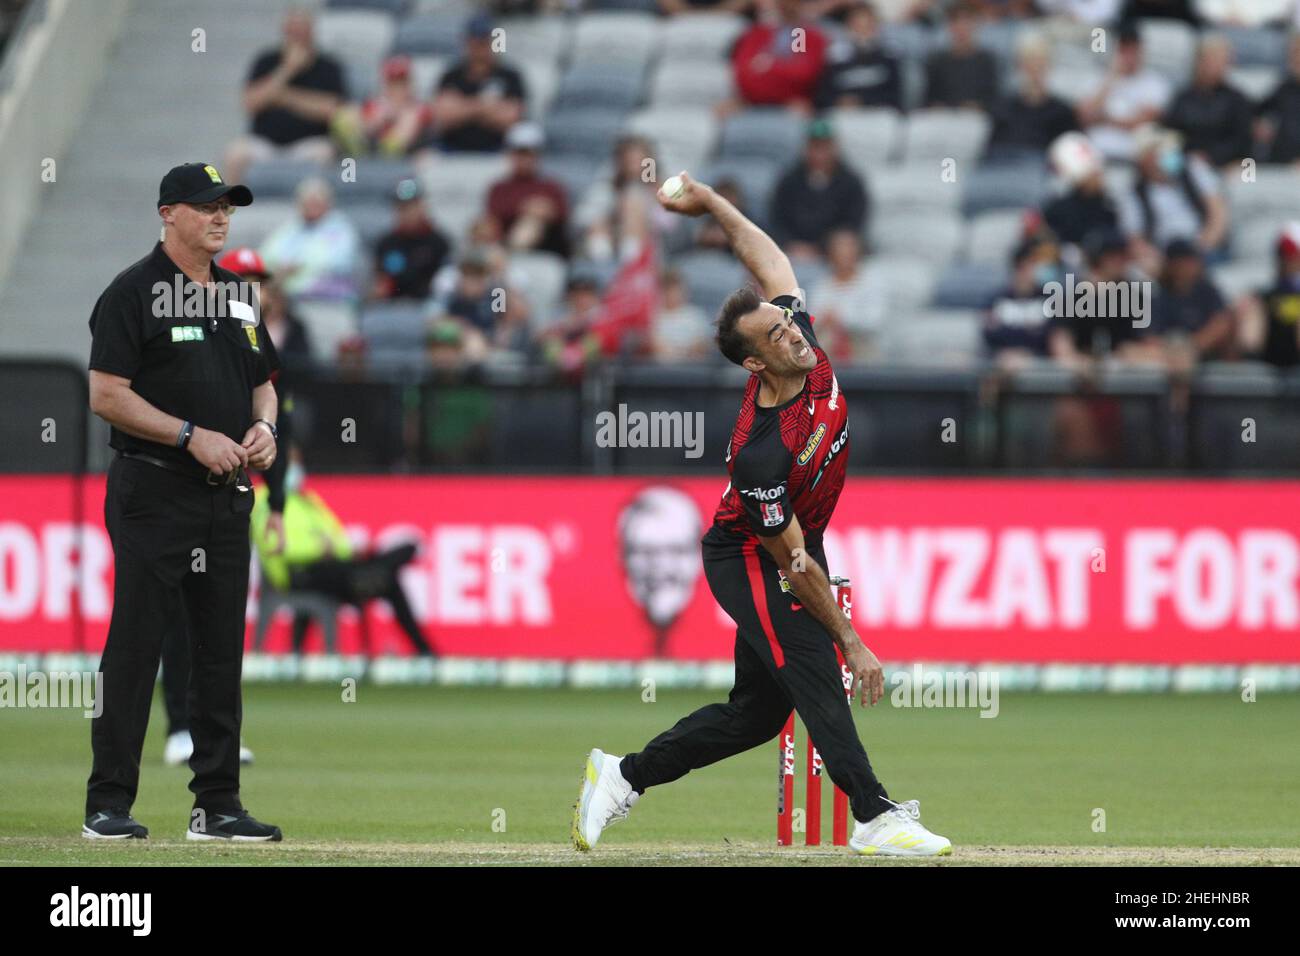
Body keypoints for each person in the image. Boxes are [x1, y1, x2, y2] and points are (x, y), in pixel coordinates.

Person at [572, 170, 952, 857]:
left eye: (789, 323)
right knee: (814, 666)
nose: (795, 337)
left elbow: (769, 260)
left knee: (755, 715)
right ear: (753, 364)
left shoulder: (798, 333)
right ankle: (873, 814)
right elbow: (794, 561)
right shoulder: (761, 456)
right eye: (777, 337)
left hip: (800, 544)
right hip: (751, 555)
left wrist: (713, 202)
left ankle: (622, 776)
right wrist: (854, 643)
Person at [84, 162, 282, 842]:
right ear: (168, 212)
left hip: (223, 499)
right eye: (206, 206)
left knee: (219, 652)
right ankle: (107, 802)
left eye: (228, 206)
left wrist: (265, 429)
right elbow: (106, 394)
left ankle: (217, 806)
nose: (221, 216)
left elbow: (264, 383)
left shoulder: (238, 295)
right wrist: (190, 436)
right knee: (137, 646)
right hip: (153, 490)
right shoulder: (132, 293)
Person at [250, 449, 436, 656]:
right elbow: (274, 546)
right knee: (387, 577)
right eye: (289, 464)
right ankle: (425, 650)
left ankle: (389, 562)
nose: (295, 470)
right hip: (300, 572)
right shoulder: (263, 500)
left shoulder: (308, 500)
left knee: (393, 561)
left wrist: (339, 549)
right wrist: (318, 548)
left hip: (333, 567)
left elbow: (339, 540)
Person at [224, 9, 346, 183]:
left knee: (326, 154)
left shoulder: (328, 66)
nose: (296, 37)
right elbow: (250, 103)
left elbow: (333, 110)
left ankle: (315, 208)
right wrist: (287, 70)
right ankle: (233, 208)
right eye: (292, 31)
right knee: (234, 154)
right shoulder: (266, 61)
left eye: (301, 31)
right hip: (265, 143)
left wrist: (283, 97)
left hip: (310, 143)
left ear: (312, 32)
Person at [1116, 124, 1227, 272]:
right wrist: (1160, 261)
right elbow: (1135, 239)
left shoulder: (1193, 169)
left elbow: (1218, 212)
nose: (1165, 153)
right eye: (1157, 151)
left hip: (1204, 249)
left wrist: (1204, 245)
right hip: (1164, 257)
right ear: (1144, 159)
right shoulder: (1133, 193)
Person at [770, 118, 870, 261]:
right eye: (815, 146)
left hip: (834, 254)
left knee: (846, 244)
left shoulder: (851, 183)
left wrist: (821, 248)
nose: (820, 154)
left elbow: (853, 222)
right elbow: (777, 218)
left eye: (825, 147)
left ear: (834, 148)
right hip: (793, 250)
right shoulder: (789, 181)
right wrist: (791, 244)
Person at [1077, 20, 1172, 162]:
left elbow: (1143, 123)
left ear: (1142, 50)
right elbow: (1085, 117)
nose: (1129, 56)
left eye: (1133, 49)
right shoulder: (1098, 79)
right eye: (1124, 49)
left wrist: (1104, 119)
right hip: (1097, 153)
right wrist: (1110, 79)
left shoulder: (1155, 84)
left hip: (1135, 156)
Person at [431, 12, 526, 153]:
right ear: (467, 41)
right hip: (451, 151)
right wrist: (486, 106)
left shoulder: (509, 76)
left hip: (497, 151)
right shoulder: (452, 75)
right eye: (475, 40)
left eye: (485, 40)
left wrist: (462, 107)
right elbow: (443, 117)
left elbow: (512, 119)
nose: (480, 46)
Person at [260, 177, 361, 301]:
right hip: (286, 296)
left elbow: (340, 263)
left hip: (328, 299)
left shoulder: (341, 229)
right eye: (306, 203)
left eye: (315, 203)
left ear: (327, 204)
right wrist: (282, 267)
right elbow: (266, 254)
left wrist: (299, 267)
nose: (310, 207)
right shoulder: (292, 227)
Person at [1162, 34, 1253, 170]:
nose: (1217, 66)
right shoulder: (1182, 98)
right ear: (1199, 61)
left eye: (1222, 60)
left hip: (1225, 168)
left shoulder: (1237, 99)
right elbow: (1170, 133)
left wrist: (1212, 156)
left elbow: (1242, 141)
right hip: (1184, 166)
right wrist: (1189, 155)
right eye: (1212, 59)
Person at [986, 31, 1079, 163]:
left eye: (1040, 63)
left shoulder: (1062, 112)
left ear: (1049, 66)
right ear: (1019, 67)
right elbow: (992, 154)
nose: (1035, 70)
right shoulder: (1002, 109)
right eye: (1029, 64)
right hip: (1008, 173)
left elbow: (1070, 155)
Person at [484, 122, 571, 258]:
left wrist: (544, 211)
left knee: (531, 222)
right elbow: (493, 215)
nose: (524, 159)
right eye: (519, 153)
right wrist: (524, 207)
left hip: (547, 245)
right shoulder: (499, 188)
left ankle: (513, 256)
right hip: (503, 238)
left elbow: (562, 214)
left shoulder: (551, 187)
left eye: (529, 154)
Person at [731, 0, 829, 111]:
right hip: (751, 103)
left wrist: (769, 66)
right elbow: (744, 73)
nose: (785, 6)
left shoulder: (806, 35)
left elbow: (803, 73)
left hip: (794, 106)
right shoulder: (756, 34)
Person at [814, 1, 903, 111]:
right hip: (844, 114)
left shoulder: (889, 56)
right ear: (849, 26)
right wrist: (839, 101)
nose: (863, 31)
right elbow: (823, 96)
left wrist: (862, 102)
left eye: (868, 25)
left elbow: (896, 96)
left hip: (878, 115)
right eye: (858, 26)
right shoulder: (837, 60)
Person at [372, 178, 451, 301]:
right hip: (392, 307)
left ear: (422, 206)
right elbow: (380, 284)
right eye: (402, 208)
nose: (407, 213)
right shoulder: (386, 244)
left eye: (411, 206)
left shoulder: (438, 243)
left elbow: (445, 284)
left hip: (428, 307)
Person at [1234, 223, 1300, 368]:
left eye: (1292, 255)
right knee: (1251, 309)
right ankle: (1251, 367)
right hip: (1271, 347)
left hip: (1295, 348)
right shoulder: (1266, 295)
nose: (1287, 260)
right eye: (1283, 255)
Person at [923, 2, 1000, 112]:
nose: (961, 28)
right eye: (956, 22)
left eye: (967, 22)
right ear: (949, 27)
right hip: (943, 118)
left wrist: (978, 106)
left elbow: (993, 98)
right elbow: (928, 98)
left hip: (976, 118)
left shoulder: (986, 61)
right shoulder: (937, 61)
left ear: (976, 25)